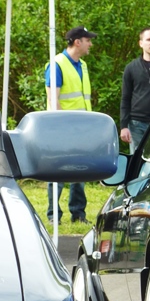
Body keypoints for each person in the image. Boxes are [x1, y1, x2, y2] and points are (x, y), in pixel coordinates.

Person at [45, 25, 97, 224]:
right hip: (62, 127)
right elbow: (53, 99)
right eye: (88, 40)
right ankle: (53, 215)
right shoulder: (57, 64)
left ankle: (78, 213)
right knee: (58, 170)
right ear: (78, 42)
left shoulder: (82, 65)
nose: (90, 44)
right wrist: (62, 126)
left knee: (79, 170)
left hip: (81, 127)